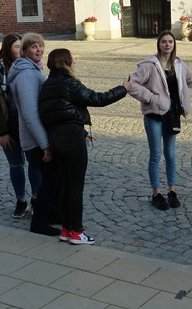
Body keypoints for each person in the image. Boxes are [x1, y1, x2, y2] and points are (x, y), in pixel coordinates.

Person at [39, 49, 130, 245]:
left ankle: (66, 229)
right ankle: (77, 232)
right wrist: (123, 89)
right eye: (72, 60)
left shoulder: (47, 85)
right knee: (76, 187)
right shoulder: (70, 83)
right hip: (72, 139)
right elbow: (98, 99)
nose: (75, 63)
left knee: (65, 186)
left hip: (56, 138)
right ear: (65, 63)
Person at [128, 30, 192, 211]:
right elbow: (132, 84)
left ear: (174, 44)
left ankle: (172, 190)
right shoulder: (149, 65)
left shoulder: (179, 65)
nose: (167, 44)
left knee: (170, 155)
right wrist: (152, 98)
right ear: (159, 44)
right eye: (164, 41)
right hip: (154, 116)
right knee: (156, 155)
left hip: (172, 116)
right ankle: (156, 193)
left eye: (170, 41)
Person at [0, 34, 41, 219]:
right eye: (16, 47)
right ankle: (20, 200)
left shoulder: (31, 66)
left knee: (35, 163)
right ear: (8, 49)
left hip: (28, 123)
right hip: (9, 125)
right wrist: (3, 132)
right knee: (15, 164)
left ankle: (37, 199)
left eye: (21, 47)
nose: (20, 50)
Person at [7, 32, 59, 236]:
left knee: (50, 180)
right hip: (35, 139)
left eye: (41, 46)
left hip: (38, 137)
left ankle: (50, 215)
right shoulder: (26, 75)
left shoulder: (33, 69)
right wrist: (45, 144)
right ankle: (39, 222)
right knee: (47, 182)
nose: (39, 50)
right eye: (34, 47)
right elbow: (30, 113)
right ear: (25, 50)